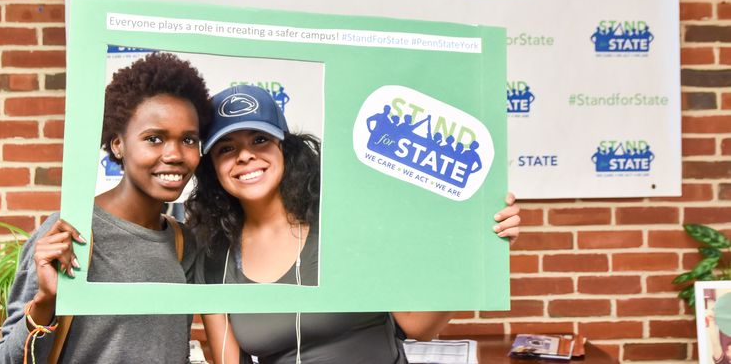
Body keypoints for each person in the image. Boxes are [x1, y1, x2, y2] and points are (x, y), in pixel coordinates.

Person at [186, 85, 520, 364]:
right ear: (212, 169)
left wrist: (478, 247)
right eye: (226, 149)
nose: (245, 155)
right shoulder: (217, 259)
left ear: (285, 149)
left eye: (260, 139)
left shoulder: (345, 223)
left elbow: (419, 325)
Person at [0, 52, 211, 364]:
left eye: (189, 140)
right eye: (154, 139)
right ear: (117, 143)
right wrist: (45, 302)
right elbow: (6, 361)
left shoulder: (182, 243)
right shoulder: (69, 231)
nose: (175, 154)